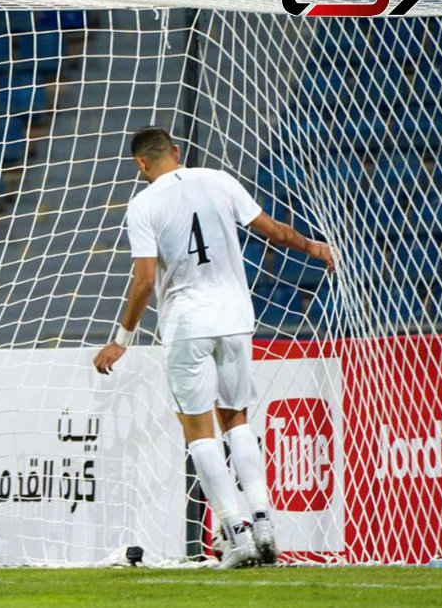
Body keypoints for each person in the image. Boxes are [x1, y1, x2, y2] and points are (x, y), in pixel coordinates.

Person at [93, 126, 335, 569]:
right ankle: (264, 524)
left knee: (198, 430)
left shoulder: (144, 204)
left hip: (188, 325)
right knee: (237, 420)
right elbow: (276, 232)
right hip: (236, 319)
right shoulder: (220, 180)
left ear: (141, 163)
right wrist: (313, 246)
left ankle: (236, 533)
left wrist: (120, 340)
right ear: (177, 152)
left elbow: (145, 280)